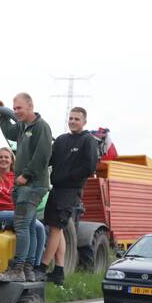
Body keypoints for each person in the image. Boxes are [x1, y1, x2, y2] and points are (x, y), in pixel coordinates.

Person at [0, 93, 53, 283]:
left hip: (33, 184)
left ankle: (17, 268)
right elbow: (9, 133)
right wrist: (3, 115)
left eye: (19, 108)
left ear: (30, 106)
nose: (17, 111)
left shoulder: (41, 127)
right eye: (14, 108)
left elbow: (43, 155)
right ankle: (28, 269)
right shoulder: (21, 126)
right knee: (28, 225)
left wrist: (26, 175)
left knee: (21, 225)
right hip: (25, 184)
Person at [38, 107, 100, 285]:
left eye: (77, 119)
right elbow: (48, 158)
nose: (73, 121)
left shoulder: (88, 140)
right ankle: (59, 271)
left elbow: (89, 167)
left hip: (71, 191)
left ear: (84, 122)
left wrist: (67, 176)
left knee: (56, 229)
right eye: (71, 118)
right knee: (58, 230)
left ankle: (43, 267)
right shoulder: (62, 139)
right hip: (56, 189)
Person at [0, 147, 47, 269]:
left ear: (12, 160)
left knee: (39, 227)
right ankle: (22, 265)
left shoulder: (17, 177)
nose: (3, 159)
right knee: (32, 223)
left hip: (16, 211)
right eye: (0, 157)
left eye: (6, 157)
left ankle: (36, 266)